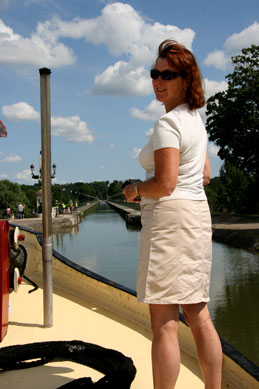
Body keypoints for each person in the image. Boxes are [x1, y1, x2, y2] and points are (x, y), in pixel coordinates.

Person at [122, 39, 222, 389]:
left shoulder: (166, 125)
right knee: (198, 314)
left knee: (164, 321)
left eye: (168, 74)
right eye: (154, 73)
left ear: (186, 79)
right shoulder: (195, 121)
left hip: (169, 220)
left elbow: (164, 184)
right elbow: (205, 174)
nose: (158, 80)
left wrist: (136, 190)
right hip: (197, 215)